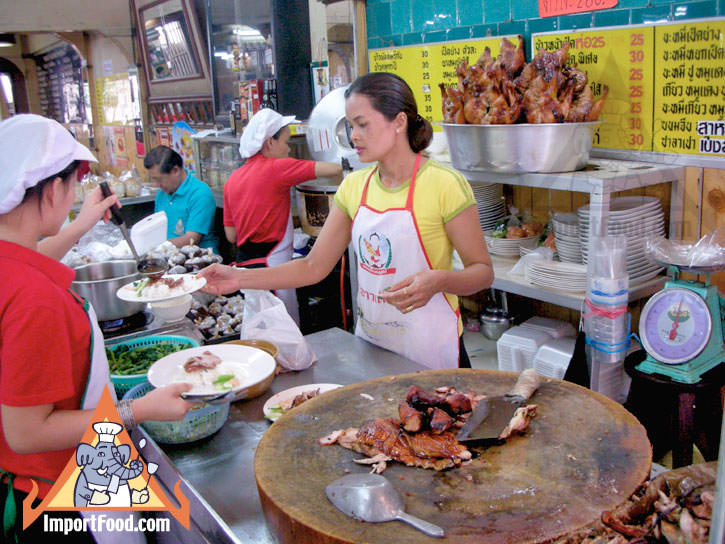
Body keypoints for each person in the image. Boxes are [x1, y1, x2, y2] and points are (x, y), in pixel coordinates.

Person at [200, 73, 494, 369]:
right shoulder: (354, 186)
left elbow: (482, 273)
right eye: (350, 125)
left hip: (432, 352)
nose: (353, 136)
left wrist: (439, 281)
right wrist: (237, 277)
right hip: (373, 347)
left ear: (399, 122)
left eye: (362, 124)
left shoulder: (444, 184)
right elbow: (312, 267)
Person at [0, 115, 195, 541]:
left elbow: (33, 257)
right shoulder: (34, 299)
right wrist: (140, 409)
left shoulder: (10, 265)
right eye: (70, 189)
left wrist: (82, 222)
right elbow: (27, 432)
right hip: (64, 495)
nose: (72, 198)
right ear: (53, 189)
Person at [223, 108, 342, 323]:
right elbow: (333, 169)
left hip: (244, 267)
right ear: (270, 142)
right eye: (286, 142)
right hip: (273, 267)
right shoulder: (277, 168)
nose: (288, 150)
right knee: (285, 330)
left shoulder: (233, 179)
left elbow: (231, 235)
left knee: (258, 329)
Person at [143, 145, 218, 252]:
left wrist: (156, 247)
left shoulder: (199, 193)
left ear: (175, 170)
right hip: (166, 255)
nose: (157, 184)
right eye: (154, 179)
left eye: (159, 179)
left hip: (197, 259)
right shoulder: (162, 193)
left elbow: (191, 239)